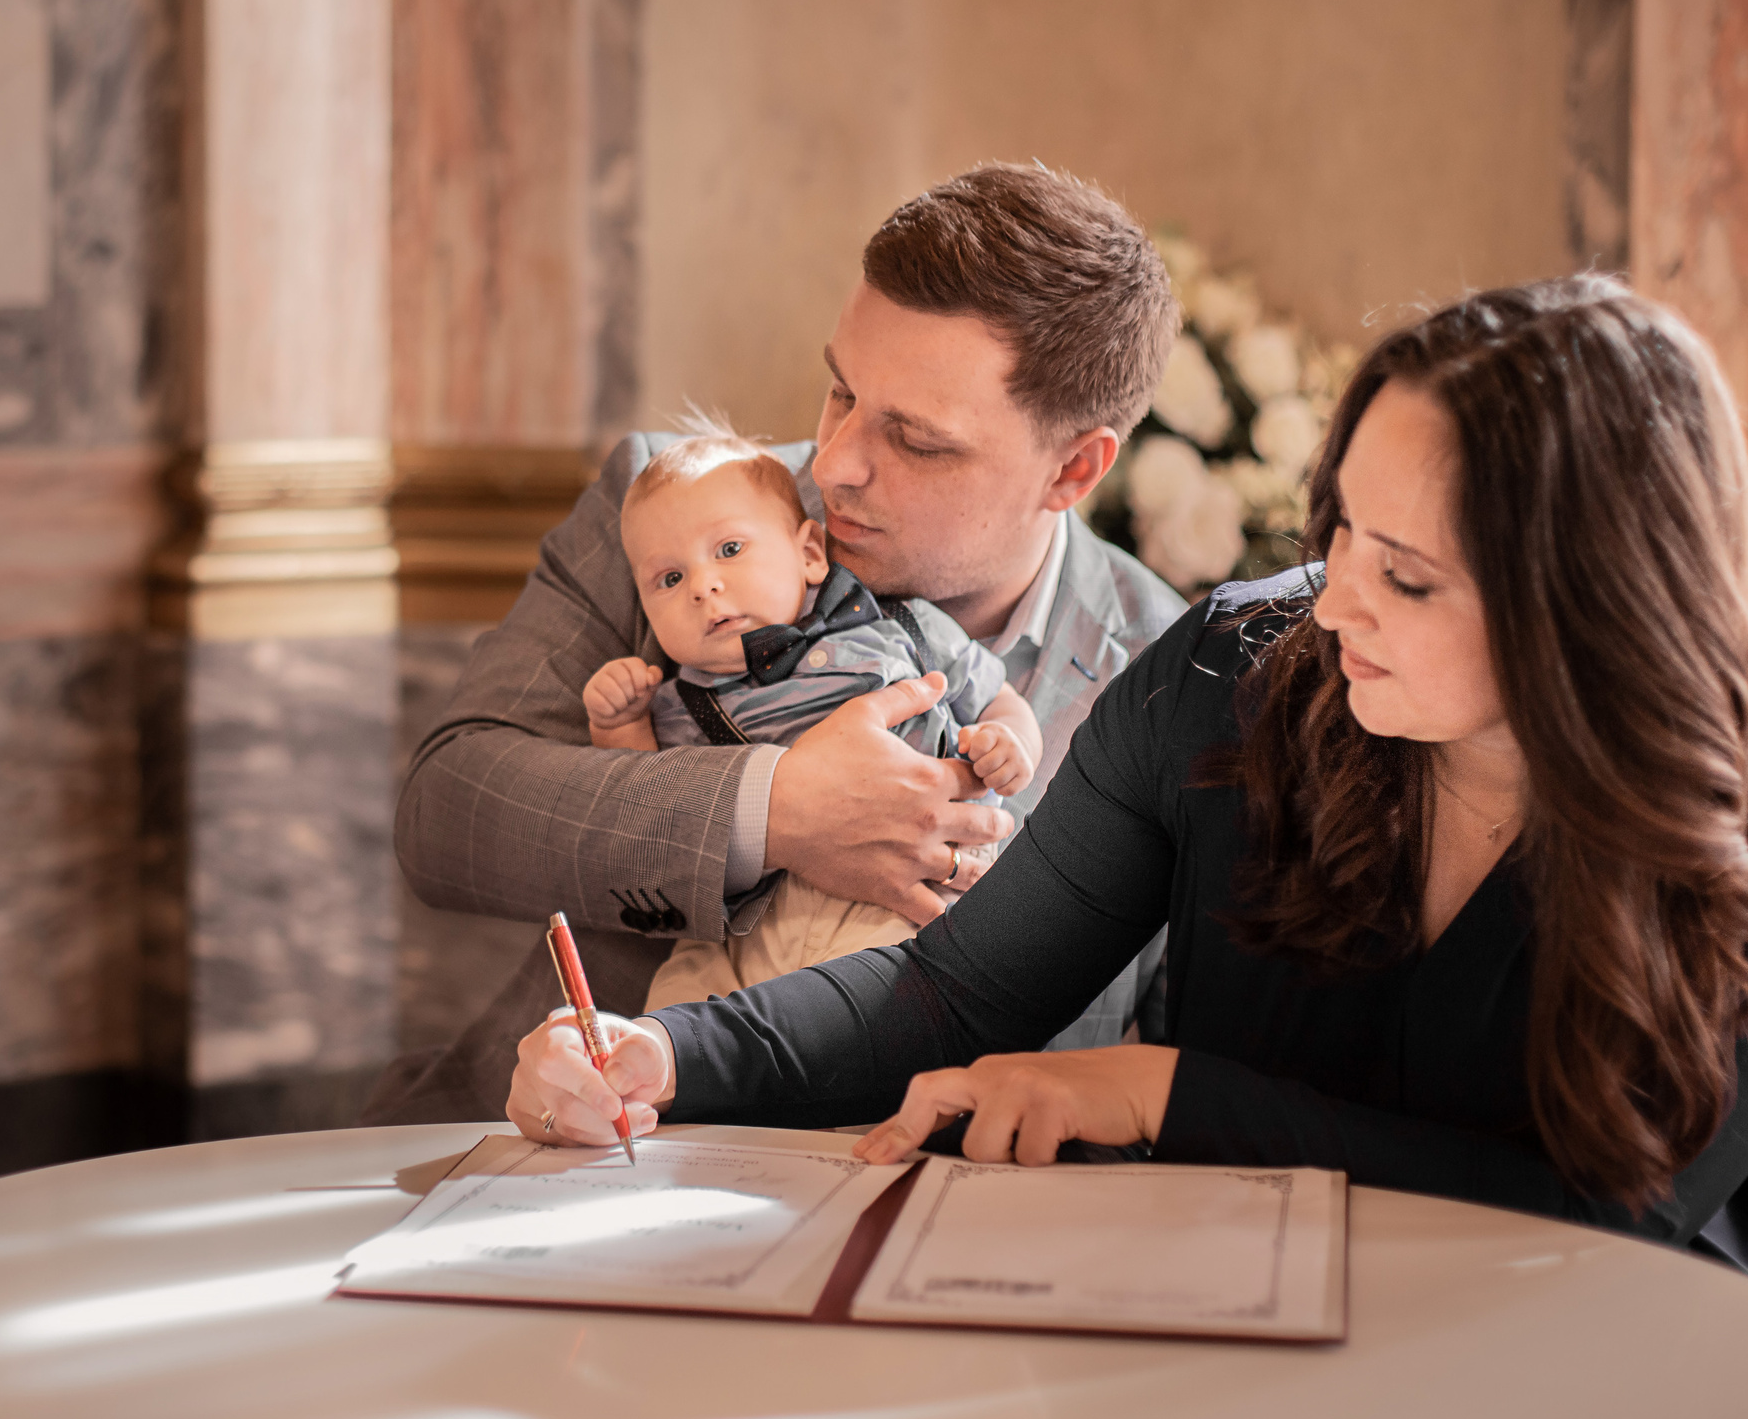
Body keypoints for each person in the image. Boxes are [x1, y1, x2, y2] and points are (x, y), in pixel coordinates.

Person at [509, 275, 1748, 1332]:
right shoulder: (1231, 672)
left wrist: (1167, 1093)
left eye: (1409, 575)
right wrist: (666, 1051)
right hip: (1284, 1324)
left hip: (1674, 1342)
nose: (1339, 601)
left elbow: (1616, 1210)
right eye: (1342, 531)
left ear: (1593, 606)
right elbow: (952, 993)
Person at [365, 163, 1188, 1126]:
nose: (832, 465)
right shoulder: (676, 513)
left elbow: (1177, 1056)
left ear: (1073, 468)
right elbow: (449, 809)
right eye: (840, 392)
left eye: (916, 440)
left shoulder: (1172, 676)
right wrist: (772, 809)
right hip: (569, 1154)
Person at [583, 417, 1041, 1008]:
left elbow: (998, 696)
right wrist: (619, 725)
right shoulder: (684, 701)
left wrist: (1009, 742)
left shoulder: (902, 630)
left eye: (728, 549)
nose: (704, 587)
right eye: (670, 578)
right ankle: (654, 1074)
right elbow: (647, 809)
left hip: (905, 892)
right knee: (682, 996)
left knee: (882, 1006)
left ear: (808, 554)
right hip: (757, 921)